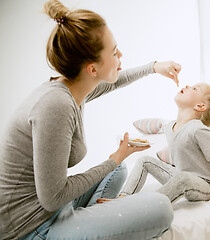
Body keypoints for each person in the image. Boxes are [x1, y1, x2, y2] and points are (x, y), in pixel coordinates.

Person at [0, 0, 182, 239]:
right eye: (114, 50)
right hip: (31, 226)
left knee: (117, 172)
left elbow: (116, 81)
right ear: (92, 69)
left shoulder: (72, 88)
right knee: (161, 209)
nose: (121, 54)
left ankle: (94, 216)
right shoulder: (56, 105)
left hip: (50, 209)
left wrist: (154, 67)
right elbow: (53, 197)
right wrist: (115, 158)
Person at [98, 83, 210, 205]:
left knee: (183, 178)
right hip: (180, 176)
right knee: (145, 160)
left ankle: (140, 205)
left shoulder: (198, 129)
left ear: (200, 106)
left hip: (203, 184)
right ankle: (123, 198)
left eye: (194, 88)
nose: (187, 85)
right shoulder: (170, 127)